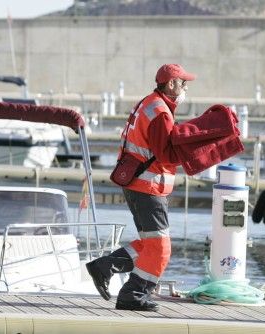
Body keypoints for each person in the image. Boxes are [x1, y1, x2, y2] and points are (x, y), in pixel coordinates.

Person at [86, 64, 196, 312]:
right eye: (183, 83)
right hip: (148, 188)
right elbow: (166, 155)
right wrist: (195, 149)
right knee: (160, 248)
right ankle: (133, 295)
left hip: (138, 184)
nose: (186, 88)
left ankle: (105, 267)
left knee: (150, 244)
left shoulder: (149, 103)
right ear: (171, 84)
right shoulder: (160, 112)